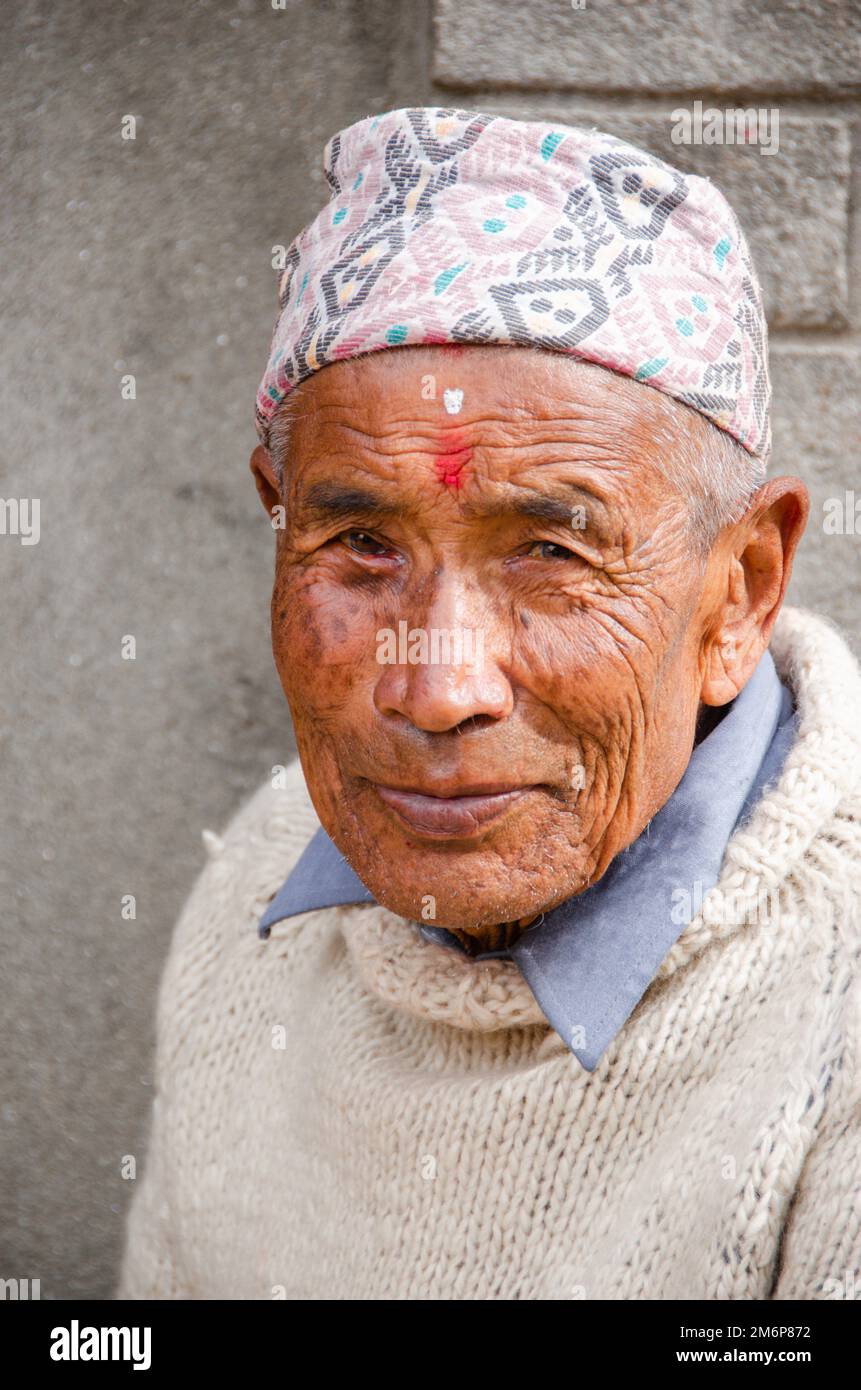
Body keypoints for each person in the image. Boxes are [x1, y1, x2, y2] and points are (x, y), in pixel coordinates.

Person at [117, 106, 861, 1301]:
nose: (438, 687)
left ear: (739, 595)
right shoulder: (258, 877)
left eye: (551, 554)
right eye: (359, 542)